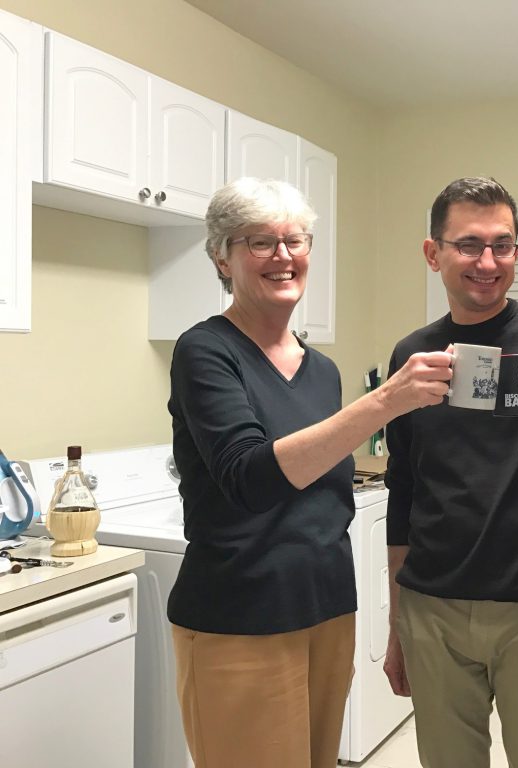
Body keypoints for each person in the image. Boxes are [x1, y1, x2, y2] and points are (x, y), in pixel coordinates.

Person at [167, 177, 452, 768]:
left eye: (295, 240)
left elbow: (327, 493)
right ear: (222, 256)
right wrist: (384, 402)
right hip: (240, 617)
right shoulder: (206, 351)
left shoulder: (320, 370)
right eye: (259, 242)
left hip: (326, 608)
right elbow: (250, 477)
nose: (283, 255)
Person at [383, 176, 518, 768]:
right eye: (468, 245)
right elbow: (402, 495)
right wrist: (396, 624)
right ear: (434, 253)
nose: (488, 262)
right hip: (432, 608)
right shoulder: (412, 357)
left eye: (502, 245)